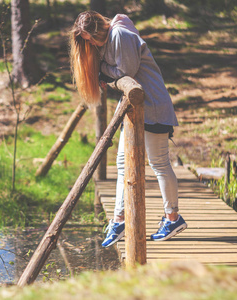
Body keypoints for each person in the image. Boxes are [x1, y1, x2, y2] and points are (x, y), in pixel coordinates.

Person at [69, 11, 187, 247]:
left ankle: (173, 217)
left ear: (97, 31)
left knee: (159, 163)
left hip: (152, 105)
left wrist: (104, 71)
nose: (89, 44)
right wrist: (105, 70)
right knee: (123, 163)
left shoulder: (120, 34)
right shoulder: (108, 40)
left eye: (89, 39)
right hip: (135, 108)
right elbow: (117, 71)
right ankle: (120, 219)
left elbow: (127, 72)